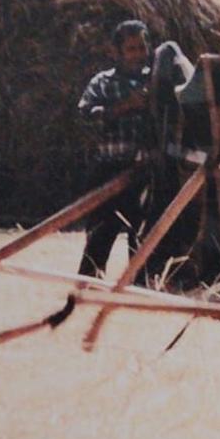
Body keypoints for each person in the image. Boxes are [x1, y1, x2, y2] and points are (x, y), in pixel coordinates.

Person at [76, 20, 159, 279]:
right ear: (117, 52)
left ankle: (138, 287)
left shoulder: (157, 81)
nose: (138, 55)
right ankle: (88, 285)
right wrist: (125, 106)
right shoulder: (103, 82)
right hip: (109, 170)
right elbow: (85, 115)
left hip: (145, 170)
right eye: (131, 49)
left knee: (143, 234)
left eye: (142, 48)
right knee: (102, 231)